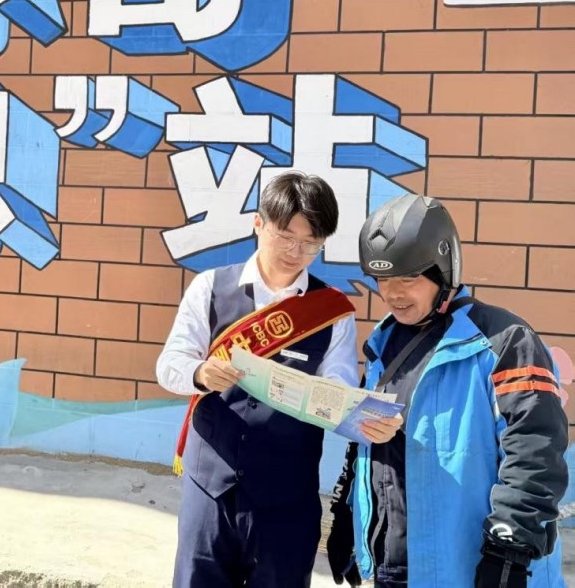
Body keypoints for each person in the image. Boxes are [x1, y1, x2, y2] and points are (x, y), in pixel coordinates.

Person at [157, 171, 401, 588]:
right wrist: (200, 373)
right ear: (258, 224)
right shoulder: (210, 288)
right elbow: (170, 364)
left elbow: (338, 389)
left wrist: (364, 420)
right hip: (210, 486)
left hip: (286, 495)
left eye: (310, 243)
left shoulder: (331, 312)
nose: (295, 251)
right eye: (285, 236)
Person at [326, 193, 568, 588]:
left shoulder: (504, 341)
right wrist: (348, 515)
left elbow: (535, 448)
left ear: (444, 271)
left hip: (468, 567)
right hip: (396, 567)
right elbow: (369, 445)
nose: (392, 293)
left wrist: (510, 546)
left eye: (408, 278)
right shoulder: (383, 344)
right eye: (382, 279)